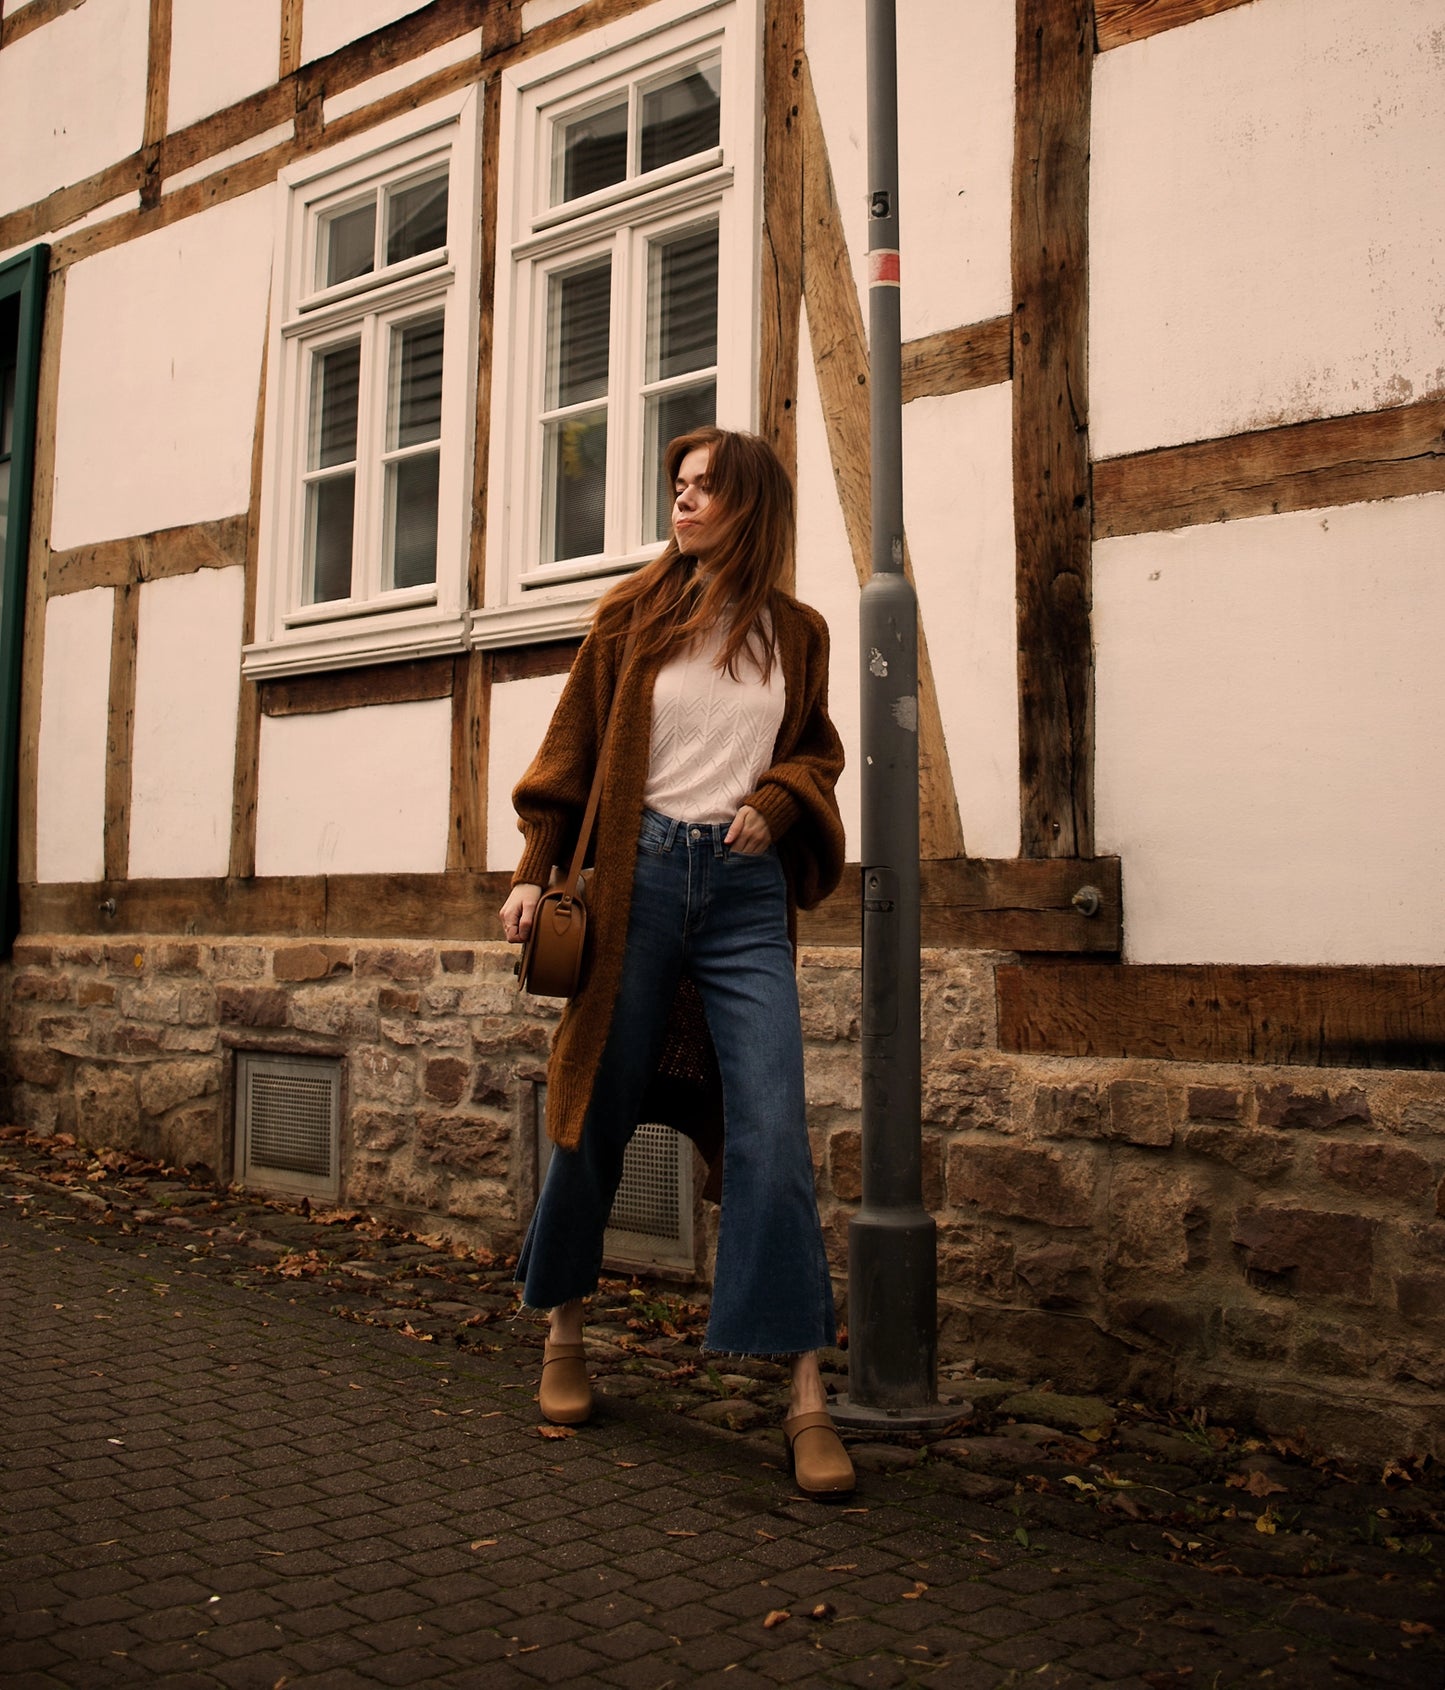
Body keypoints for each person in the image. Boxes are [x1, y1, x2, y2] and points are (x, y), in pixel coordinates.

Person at [498, 426, 854, 1500]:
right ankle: (563, 1332)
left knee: (772, 1130)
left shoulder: (796, 632)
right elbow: (569, 750)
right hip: (640, 883)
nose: (683, 502)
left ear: (749, 506)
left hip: (745, 901)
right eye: (678, 486)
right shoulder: (631, 615)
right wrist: (533, 866)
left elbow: (815, 749)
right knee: (593, 1106)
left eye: (704, 488)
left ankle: (803, 1398)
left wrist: (780, 799)